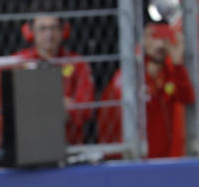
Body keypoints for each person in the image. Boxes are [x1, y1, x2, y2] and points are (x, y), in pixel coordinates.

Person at [98, 22, 195, 158]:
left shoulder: (171, 73)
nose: (159, 44)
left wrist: (177, 62)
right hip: (138, 158)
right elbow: (113, 105)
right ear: (143, 40)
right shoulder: (130, 74)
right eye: (153, 37)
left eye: (164, 38)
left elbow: (187, 97)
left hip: (169, 157)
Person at [14, 7, 94, 145]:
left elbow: (85, 108)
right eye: (42, 29)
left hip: (69, 144)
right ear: (29, 31)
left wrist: (41, 107)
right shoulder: (18, 62)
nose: (49, 34)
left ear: (64, 30)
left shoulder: (77, 63)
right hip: (28, 144)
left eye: (54, 28)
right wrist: (60, 105)